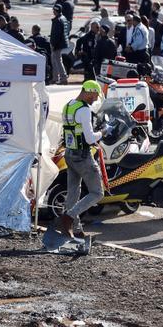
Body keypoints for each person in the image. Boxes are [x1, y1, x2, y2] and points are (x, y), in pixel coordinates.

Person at [56, 80, 106, 237]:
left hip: (69, 153)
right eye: (95, 95)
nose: (96, 99)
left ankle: (75, 230)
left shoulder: (69, 105)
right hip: (82, 155)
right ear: (89, 91)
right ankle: (69, 217)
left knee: (73, 192)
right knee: (98, 193)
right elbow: (90, 138)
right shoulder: (84, 110)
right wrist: (104, 132)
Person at [48, 5, 69, 84]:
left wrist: (53, 44)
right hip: (61, 43)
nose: (53, 11)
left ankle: (62, 78)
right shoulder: (63, 18)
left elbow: (56, 34)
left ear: (56, 10)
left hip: (57, 44)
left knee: (57, 61)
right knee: (56, 60)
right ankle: (56, 77)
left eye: (54, 10)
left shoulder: (57, 20)